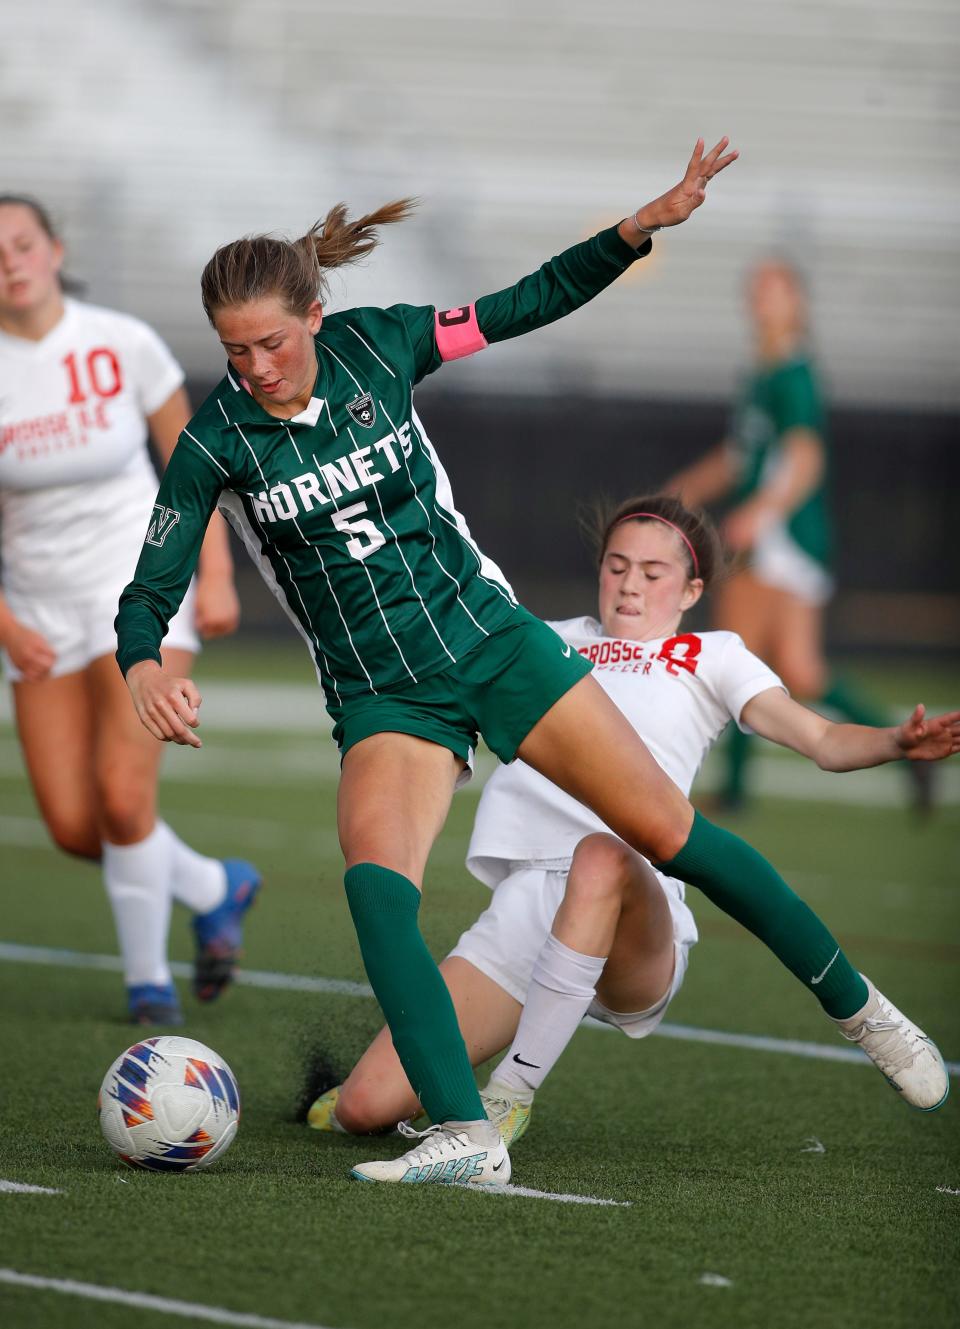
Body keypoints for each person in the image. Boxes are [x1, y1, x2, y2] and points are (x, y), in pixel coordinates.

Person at [116, 136, 942, 1189]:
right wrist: (142, 662)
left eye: (272, 342)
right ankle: (466, 1138)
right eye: (235, 352)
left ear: (314, 314)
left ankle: (866, 1016)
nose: (255, 368)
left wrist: (637, 230)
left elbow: (525, 301)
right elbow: (148, 587)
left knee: (668, 834)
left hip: (489, 642)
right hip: (383, 695)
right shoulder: (216, 439)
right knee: (377, 894)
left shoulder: (383, 345)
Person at [306, 495, 956, 1143]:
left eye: (652, 571)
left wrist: (895, 743)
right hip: (525, 911)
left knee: (602, 853)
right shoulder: (542, 641)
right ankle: (396, 1091)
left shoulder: (714, 654)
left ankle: (509, 1097)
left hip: (633, 914)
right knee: (363, 1108)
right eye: (617, 566)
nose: (630, 584)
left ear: (692, 587)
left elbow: (822, 740)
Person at [0, 195, 261, 1027]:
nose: (10, 261)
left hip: (138, 588)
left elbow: (198, 463)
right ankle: (219, 887)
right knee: (79, 827)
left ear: (53, 249)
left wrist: (214, 574)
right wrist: (7, 624)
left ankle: (149, 987)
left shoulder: (121, 341)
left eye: (22, 243)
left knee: (122, 801)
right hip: (35, 609)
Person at [666, 259, 927, 810]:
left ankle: (735, 792)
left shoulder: (794, 373)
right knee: (799, 670)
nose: (759, 301)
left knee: (737, 653)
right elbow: (741, 457)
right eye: (754, 291)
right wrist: (683, 489)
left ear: (797, 303)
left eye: (772, 291)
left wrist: (760, 513)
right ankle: (908, 745)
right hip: (786, 537)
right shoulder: (763, 371)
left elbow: (806, 457)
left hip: (780, 537)